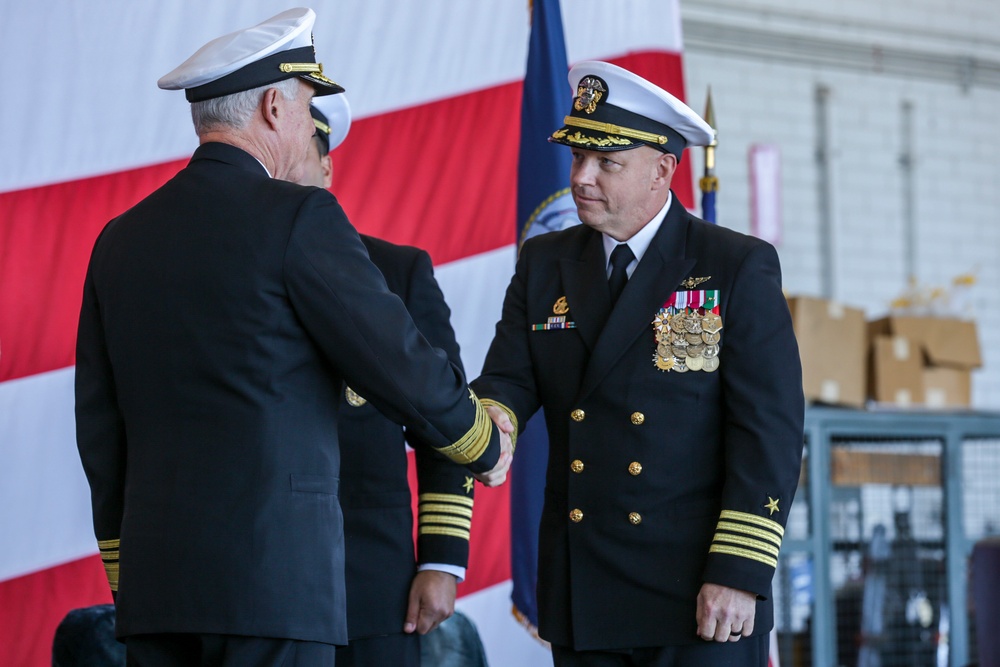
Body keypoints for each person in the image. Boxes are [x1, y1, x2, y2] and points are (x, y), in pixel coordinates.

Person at [74, 9, 512, 667]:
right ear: (275, 106)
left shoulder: (120, 240)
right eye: (309, 106)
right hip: (272, 587)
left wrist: (124, 566)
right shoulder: (298, 216)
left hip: (158, 590)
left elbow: (101, 432)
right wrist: (481, 442)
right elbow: (400, 363)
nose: (313, 125)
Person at [471, 60, 805, 666]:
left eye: (606, 163)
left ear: (663, 170)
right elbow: (509, 378)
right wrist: (493, 423)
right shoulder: (545, 261)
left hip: (701, 594)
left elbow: (769, 431)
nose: (580, 177)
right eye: (577, 158)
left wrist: (740, 569)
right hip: (586, 585)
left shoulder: (733, 265)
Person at [297, 96, 474, 666]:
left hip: (374, 584)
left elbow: (448, 421)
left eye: (299, 157)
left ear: (327, 167)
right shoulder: (221, 282)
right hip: (250, 585)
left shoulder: (396, 273)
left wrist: (440, 561)